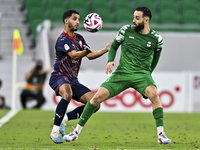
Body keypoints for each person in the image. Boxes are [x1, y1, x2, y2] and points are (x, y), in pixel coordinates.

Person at [64, 6, 171, 145]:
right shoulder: (125, 30)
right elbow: (114, 46)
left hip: (142, 74)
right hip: (122, 73)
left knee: (154, 95)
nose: (133, 20)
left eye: (137, 18)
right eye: (133, 17)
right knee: (96, 98)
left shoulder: (157, 38)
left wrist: (147, 74)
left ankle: (161, 134)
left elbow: (156, 58)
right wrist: (110, 60)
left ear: (146, 20)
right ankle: (75, 132)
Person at [49, 10, 111, 143]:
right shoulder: (62, 39)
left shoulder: (79, 38)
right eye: (75, 19)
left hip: (72, 80)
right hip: (59, 75)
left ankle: (63, 119)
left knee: (95, 104)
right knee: (67, 94)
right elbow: (73, 55)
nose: (78, 22)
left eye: (78, 19)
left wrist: (106, 49)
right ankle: (54, 132)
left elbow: (90, 55)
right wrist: (84, 52)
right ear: (66, 21)